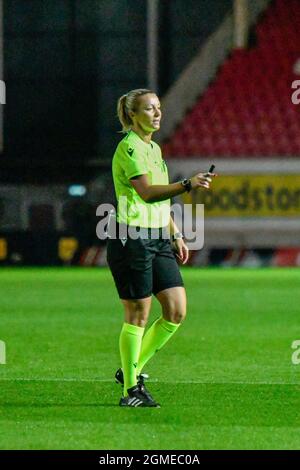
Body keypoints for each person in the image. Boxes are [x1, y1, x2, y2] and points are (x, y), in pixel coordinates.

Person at [107, 88, 215, 407]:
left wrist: (176, 234)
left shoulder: (153, 148)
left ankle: (132, 368)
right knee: (138, 314)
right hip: (132, 238)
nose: (157, 114)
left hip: (157, 238)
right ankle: (130, 389)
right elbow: (147, 193)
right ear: (132, 115)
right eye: (149, 109)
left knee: (176, 309)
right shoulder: (129, 149)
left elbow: (162, 200)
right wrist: (187, 184)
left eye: (158, 108)